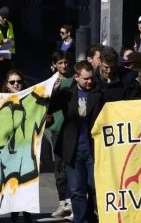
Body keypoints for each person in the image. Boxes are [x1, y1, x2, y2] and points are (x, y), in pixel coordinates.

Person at [49, 61, 104, 223]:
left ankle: (93, 216)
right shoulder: (67, 93)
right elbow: (49, 108)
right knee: (76, 190)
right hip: (72, 150)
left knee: (94, 187)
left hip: (93, 149)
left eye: (91, 78)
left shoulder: (98, 94)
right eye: (85, 79)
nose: (89, 82)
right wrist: (55, 92)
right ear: (76, 77)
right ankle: (81, 219)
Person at [46, 52, 73, 220]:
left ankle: (71, 203)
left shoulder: (73, 81)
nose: (64, 66)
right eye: (60, 63)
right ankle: (62, 202)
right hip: (56, 130)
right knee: (59, 169)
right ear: (54, 64)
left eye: (66, 62)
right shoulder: (51, 83)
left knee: (71, 167)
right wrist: (52, 89)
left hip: (71, 128)